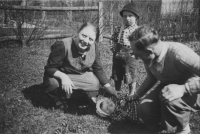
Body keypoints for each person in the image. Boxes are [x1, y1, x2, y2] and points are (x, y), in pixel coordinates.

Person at [129, 25, 200, 134]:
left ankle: (183, 130)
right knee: (144, 109)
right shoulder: (149, 57)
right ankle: (165, 127)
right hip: (170, 86)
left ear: (149, 51)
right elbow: (151, 78)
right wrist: (136, 95)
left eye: (137, 54)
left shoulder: (179, 54)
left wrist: (183, 89)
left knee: (172, 100)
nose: (136, 58)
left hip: (195, 89)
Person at [43, 22, 118, 111]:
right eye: (84, 35)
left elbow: (98, 68)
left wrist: (108, 87)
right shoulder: (62, 45)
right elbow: (49, 68)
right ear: (78, 32)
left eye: (90, 39)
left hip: (79, 76)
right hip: (60, 75)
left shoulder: (94, 47)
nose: (86, 41)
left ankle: (74, 97)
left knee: (95, 84)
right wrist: (63, 77)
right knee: (52, 83)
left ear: (94, 41)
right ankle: (57, 98)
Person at [110, 2, 139, 95]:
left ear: (136, 17)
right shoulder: (119, 28)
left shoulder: (138, 31)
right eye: (125, 16)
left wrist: (136, 53)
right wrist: (114, 49)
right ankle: (117, 91)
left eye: (130, 16)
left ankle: (132, 93)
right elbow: (113, 39)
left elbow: (141, 44)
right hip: (118, 55)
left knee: (131, 73)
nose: (127, 18)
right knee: (117, 73)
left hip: (131, 56)